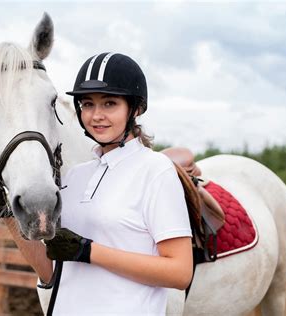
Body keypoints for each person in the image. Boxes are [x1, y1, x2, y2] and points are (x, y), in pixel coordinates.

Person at [43, 52, 194, 315]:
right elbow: (49, 270)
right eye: (88, 104)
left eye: (109, 103)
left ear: (134, 109)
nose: (96, 115)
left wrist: (89, 251)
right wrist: (6, 209)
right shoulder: (74, 176)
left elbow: (180, 273)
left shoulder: (156, 170)